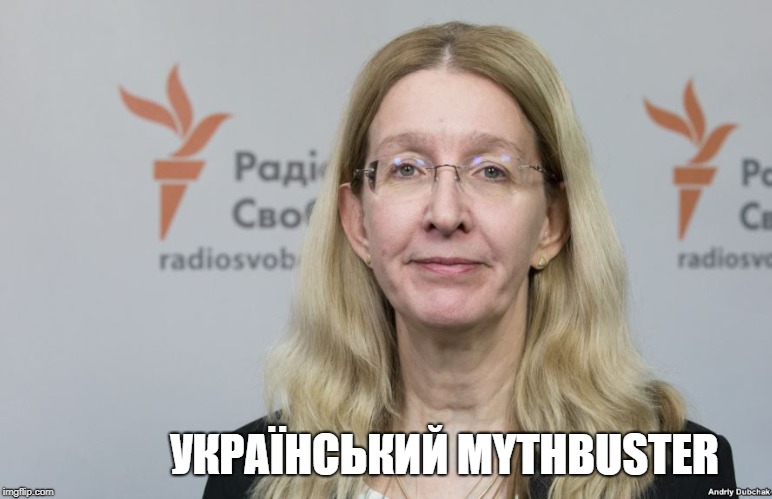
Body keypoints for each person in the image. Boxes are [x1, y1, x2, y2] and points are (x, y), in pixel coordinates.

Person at [204, 21, 735, 499]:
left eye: (491, 171)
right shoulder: (252, 476)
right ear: (358, 221)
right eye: (407, 168)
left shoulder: (674, 475)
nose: (445, 213)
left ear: (552, 223)